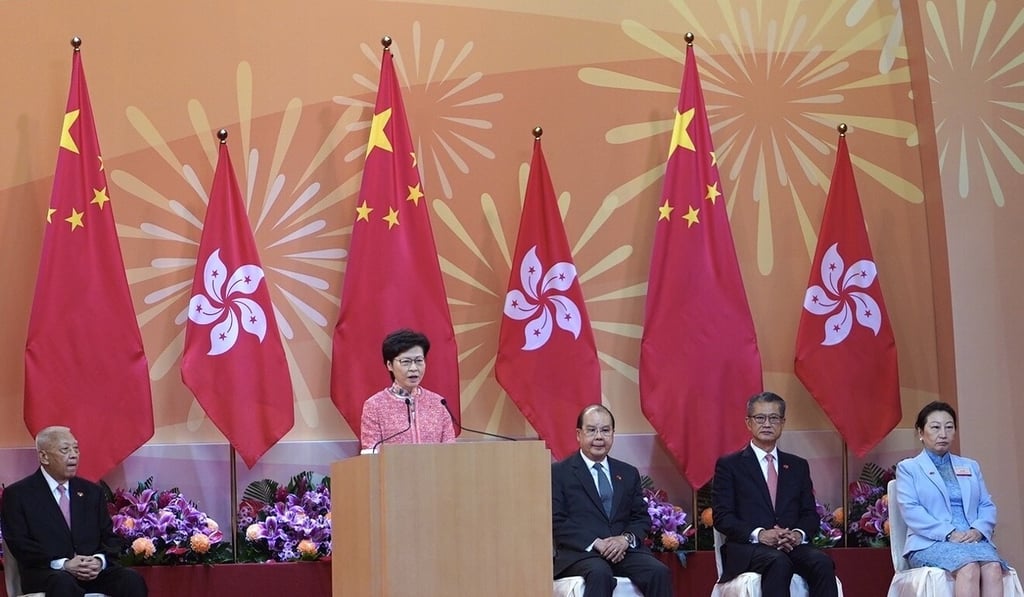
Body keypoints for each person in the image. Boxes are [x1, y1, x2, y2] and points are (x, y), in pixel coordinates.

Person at [712, 391, 839, 597]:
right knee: (778, 562)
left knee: (821, 562)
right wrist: (760, 534)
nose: (767, 424)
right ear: (748, 422)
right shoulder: (730, 465)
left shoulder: (798, 465)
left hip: (790, 545)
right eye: (760, 418)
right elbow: (722, 517)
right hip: (748, 548)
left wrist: (798, 534)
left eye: (774, 418)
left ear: (783, 422)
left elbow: (809, 514)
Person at [0, 426, 147, 597]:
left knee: (131, 580)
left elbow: (109, 538)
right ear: (44, 456)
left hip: (92, 574)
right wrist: (64, 564)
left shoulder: (92, 492)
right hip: (48, 573)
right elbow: (20, 544)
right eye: (65, 450)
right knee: (63, 583)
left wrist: (99, 561)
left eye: (76, 449)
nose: (73, 455)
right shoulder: (18, 495)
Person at [551, 404, 671, 597]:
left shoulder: (627, 473)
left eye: (605, 430)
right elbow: (556, 520)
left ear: (613, 434)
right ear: (578, 434)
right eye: (591, 430)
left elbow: (640, 518)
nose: (599, 437)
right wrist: (595, 542)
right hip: (582, 553)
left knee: (658, 572)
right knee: (600, 574)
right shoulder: (559, 473)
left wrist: (625, 540)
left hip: (623, 552)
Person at [895, 401, 1009, 597]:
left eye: (949, 427)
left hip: (972, 540)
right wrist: (949, 533)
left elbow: (986, 504)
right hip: (930, 542)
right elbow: (912, 511)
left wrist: (979, 530)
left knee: (993, 568)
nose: (943, 434)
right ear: (921, 432)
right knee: (969, 567)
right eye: (935, 427)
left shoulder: (970, 466)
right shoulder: (909, 468)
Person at [359, 328, 456, 450]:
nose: (414, 368)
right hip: (392, 469)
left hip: (434, 468)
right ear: (389, 365)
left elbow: (450, 451)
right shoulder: (374, 406)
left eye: (419, 361)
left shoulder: (439, 403)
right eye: (406, 362)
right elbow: (371, 453)